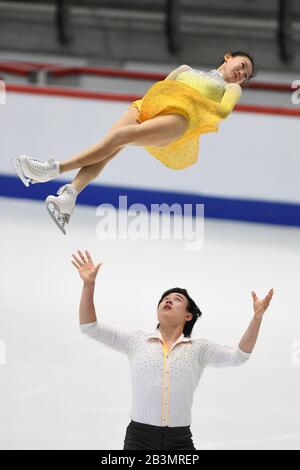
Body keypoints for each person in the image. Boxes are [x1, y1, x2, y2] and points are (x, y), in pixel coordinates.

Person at [11, 51, 255, 234]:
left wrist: (193, 98)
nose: (241, 74)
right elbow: (160, 89)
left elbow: (222, 112)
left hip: (177, 119)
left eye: (246, 75)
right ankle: (69, 195)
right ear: (228, 57)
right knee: (108, 147)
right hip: (146, 107)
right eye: (242, 66)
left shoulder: (231, 88)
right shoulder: (184, 69)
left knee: (117, 139)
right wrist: (143, 107)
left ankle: (52, 169)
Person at [72, 249, 273, 450]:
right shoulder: (136, 340)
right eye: (164, 298)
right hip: (139, 439)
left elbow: (239, 356)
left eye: (177, 299)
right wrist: (88, 285)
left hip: (180, 442)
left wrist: (257, 319)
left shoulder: (199, 348)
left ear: (188, 316)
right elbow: (90, 327)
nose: (167, 300)